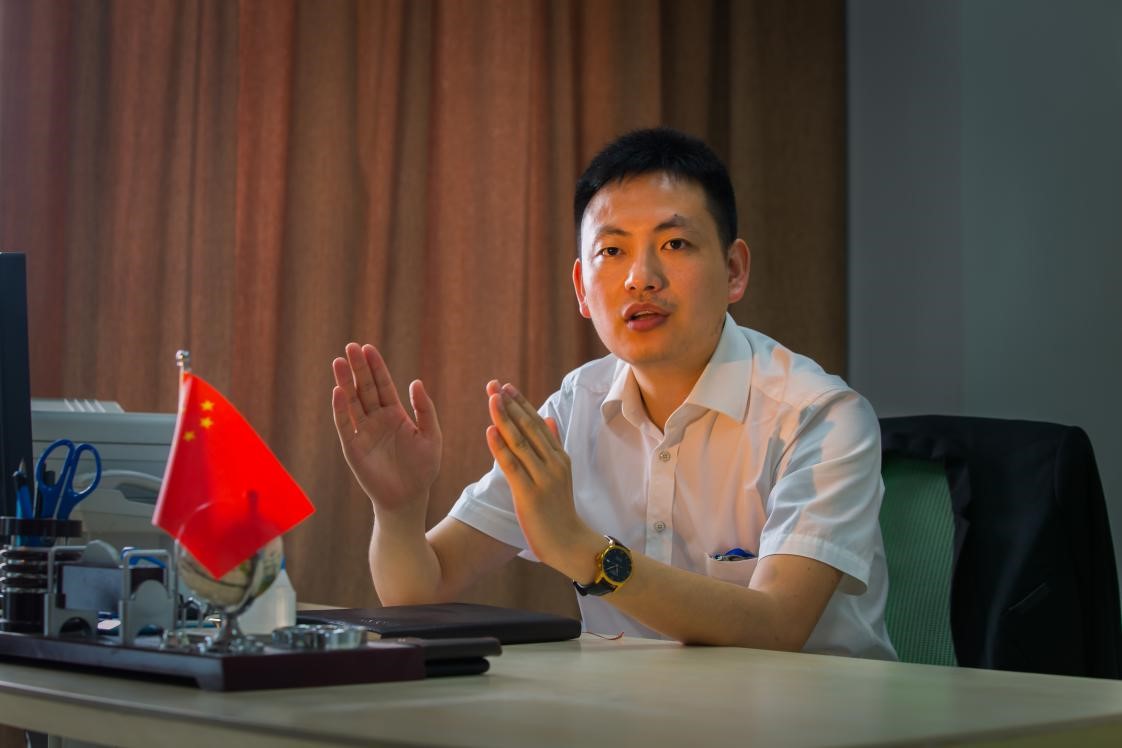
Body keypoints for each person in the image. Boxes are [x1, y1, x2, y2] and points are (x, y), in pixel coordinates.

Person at [331, 127, 895, 658]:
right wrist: (399, 510)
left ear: (733, 270)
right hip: (629, 713)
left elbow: (779, 625)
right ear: (582, 288)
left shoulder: (820, 417)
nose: (640, 277)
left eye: (675, 243)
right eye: (612, 251)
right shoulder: (576, 407)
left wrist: (581, 551)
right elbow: (420, 591)